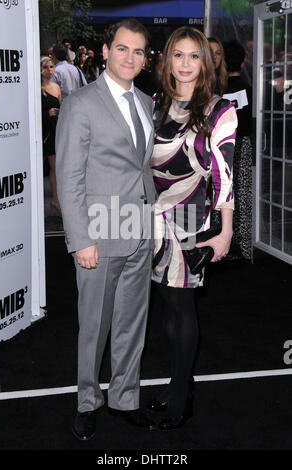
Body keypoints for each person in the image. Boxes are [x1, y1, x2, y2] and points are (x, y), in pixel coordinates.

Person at [55, 18, 157, 441]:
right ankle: (86, 401)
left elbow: (143, 168)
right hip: (99, 234)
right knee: (94, 326)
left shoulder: (148, 103)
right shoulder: (80, 102)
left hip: (140, 228)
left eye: (138, 51)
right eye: (122, 48)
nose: (130, 57)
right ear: (106, 50)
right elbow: (69, 177)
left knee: (133, 322)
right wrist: (81, 240)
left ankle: (124, 397)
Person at [148, 26, 237, 431]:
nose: (185, 64)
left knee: (182, 307)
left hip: (191, 220)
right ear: (167, 61)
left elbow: (224, 175)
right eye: (177, 55)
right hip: (151, 219)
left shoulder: (220, 109)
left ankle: (182, 396)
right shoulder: (154, 104)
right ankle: (176, 380)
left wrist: (225, 232)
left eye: (193, 56)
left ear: (206, 61)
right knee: (167, 305)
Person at [221, 39, 253, 260]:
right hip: (242, 143)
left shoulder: (215, 89)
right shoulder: (249, 89)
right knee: (241, 193)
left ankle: (221, 238)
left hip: (220, 145)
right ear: (242, 63)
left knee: (222, 190)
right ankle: (243, 245)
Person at [41, 57, 62, 212]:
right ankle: (55, 199)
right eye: (47, 67)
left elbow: (61, 107)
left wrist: (58, 112)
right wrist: (47, 113)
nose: (50, 70)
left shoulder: (56, 87)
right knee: (53, 166)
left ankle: (56, 198)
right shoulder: (37, 88)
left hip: (56, 129)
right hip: (44, 131)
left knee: (57, 167)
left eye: (52, 66)